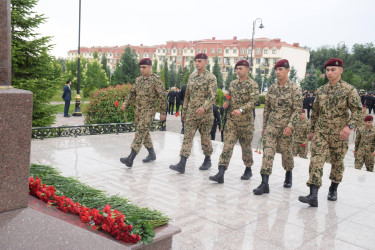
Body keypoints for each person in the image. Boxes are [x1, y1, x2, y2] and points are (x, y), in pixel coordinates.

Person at [298, 58, 362, 207]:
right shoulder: (321, 90)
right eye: (327, 70)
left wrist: (349, 127)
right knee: (316, 160)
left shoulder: (349, 90)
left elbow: (358, 111)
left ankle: (333, 188)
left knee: (337, 162)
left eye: (333, 69)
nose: (329, 72)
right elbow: (315, 113)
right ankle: (313, 194)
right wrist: (312, 131)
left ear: (341, 70)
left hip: (339, 134)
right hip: (321, 132)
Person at [253, 59, 302, 195]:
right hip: (271, 127)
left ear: (288, 70)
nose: (278, 72)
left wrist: (291, 126)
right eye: (276, 70)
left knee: (286, 154)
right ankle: (264, 183)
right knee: (267, 154)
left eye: (281, 69)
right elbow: (267, 108)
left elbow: (297, 110)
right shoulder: (273, 88)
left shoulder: (294, 89)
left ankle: (288, 173)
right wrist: (264, 126)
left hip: (286, 128)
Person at [209, 60, 259, 183]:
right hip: (232, 121)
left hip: (246, 123)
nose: (238, 71)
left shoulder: (253, 85)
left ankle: (248, 168)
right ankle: (221, 172)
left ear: (247, 69)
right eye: (237, 69)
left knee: (246, 148)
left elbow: (253, 101)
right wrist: (226, 102)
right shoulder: (232, 83)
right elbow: (229, 95)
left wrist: (241, 110)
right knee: (227, 146)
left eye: (240, 68)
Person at [169, 53, 217, 173]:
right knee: (187, 137)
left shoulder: (211, 77)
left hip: (205, 115)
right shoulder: (192, 76)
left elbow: (213, 95)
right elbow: (187, 96)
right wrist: (184, 112)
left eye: (199, 61)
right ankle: (182, 163)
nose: (197, 63)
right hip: (191, 113)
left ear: (206, 62)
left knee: (205, 138)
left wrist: (204, 107)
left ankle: (207, 159)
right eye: (195, 61)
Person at [120, 58, 167, 167]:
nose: (141, 69)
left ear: (150, 67)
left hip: (149, 112)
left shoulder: (156, 80)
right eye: (140, 67)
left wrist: (163, 113)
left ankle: (130, 158)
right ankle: (152, 154)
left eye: (144, 67)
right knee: (144, 133)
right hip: (138, 111)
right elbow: (132, 93)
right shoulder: (138, 80)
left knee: (140, 132)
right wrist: (125, 104)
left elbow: (163, 97)